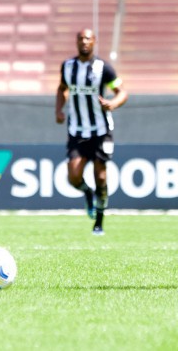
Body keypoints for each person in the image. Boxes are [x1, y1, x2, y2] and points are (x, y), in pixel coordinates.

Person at [55, 29, 128, 236]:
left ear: (94, 42)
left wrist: (112, 103)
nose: (84, 42)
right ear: (76, 42)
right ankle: (87, 193)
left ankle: (99, 222)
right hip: (77, 130)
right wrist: (58, 110)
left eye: (88, 38)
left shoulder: (103, 68)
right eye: (80, 38)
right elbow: (61, 88)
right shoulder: (68, 67)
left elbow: (122, 92)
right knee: (74, 177)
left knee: (101, 176)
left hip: (101, 130)